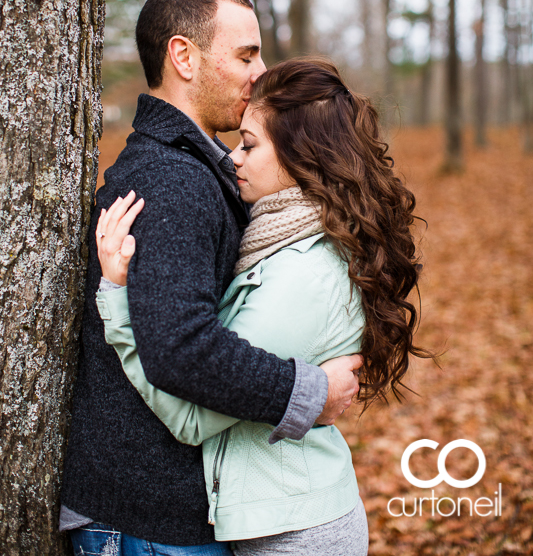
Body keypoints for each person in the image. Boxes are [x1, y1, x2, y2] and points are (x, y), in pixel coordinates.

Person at [60, 0, 362, 554]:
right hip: (146, 523)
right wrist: (310, 392)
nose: (259, 71)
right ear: (184, 56)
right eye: (246, 54)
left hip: (163, 517)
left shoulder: (199, 168)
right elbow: (184, 349)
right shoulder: (171, 180)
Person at [94, 58, 426, 556]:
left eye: (250, 145)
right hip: (283, 518)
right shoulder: (284, 242)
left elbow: (191, 419)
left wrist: (118, 298)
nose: (233, 159)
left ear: (301, 158)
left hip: (297, 535)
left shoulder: (304, 275)